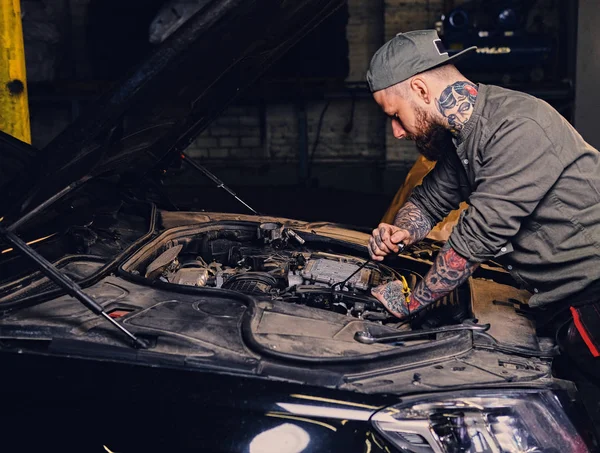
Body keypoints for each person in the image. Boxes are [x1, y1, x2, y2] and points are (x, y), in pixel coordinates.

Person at [366, 30, 600, 360]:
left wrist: (408, 304)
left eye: (395, 115)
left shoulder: (517, 126)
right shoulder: (464, 137)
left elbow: (474, 240)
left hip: (594, 293)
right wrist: (401, 231)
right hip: (561, 296)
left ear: (420, 89)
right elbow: (428, 200)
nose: (397, 131)